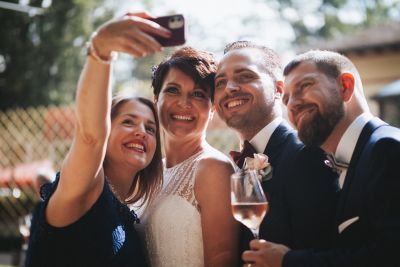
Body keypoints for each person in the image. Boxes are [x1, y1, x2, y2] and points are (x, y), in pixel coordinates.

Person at [25, 14, 167, 267]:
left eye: (151, 128)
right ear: (106, 128)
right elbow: (90, 137)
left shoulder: (129, 218)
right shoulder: (85, 189)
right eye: (128, 121)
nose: (141, 131)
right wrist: (101, 51)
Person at [243, 50, 400, 267]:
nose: (293, 104)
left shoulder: (387, 148)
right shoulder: (352, 158)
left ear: (345, 86)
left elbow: (390, 255)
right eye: (286, 98)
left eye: (305, 86)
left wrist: (288, 261)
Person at [213, 41, 339, 258]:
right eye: (220, 82)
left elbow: (324, 251)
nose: (229, 88)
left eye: (245, 76)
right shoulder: (234, 165)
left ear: (279, 89)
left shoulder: (306, 155)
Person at [140, 47, 240, 267]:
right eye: (173, 90)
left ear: (212, 107)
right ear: (156, 98)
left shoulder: (214, 168)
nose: (184, 103)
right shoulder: (151, 170)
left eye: (198, 94)